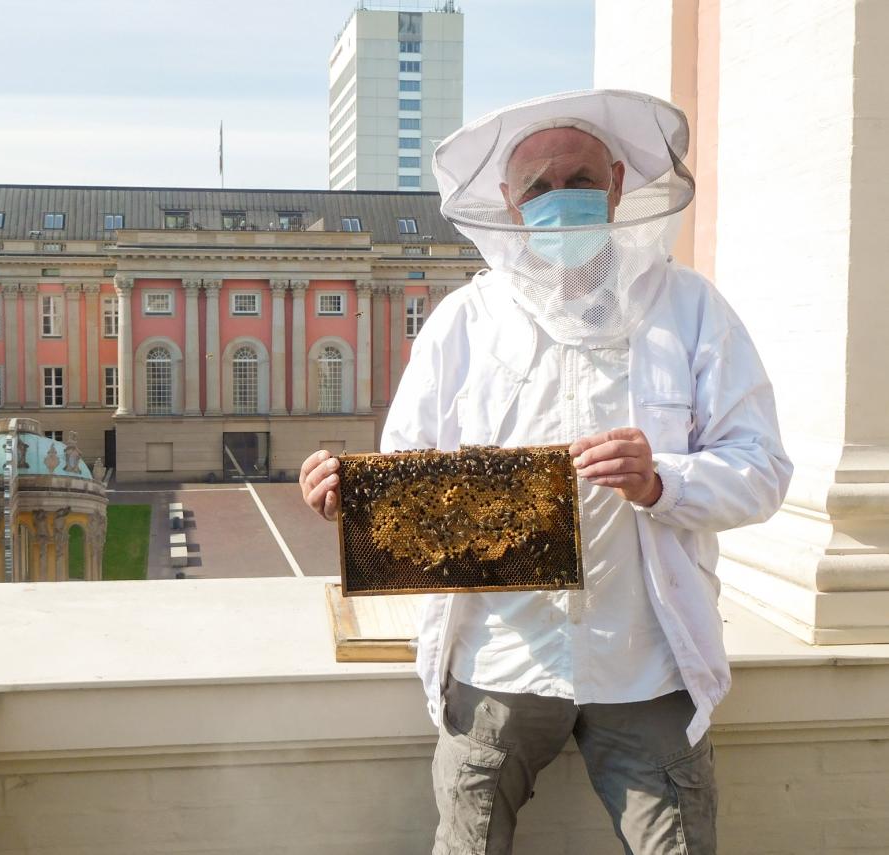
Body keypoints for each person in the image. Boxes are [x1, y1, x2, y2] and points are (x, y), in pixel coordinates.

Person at [299, 90, 792, 854]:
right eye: (538, 187)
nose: (560, 198)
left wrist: (663, 480)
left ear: (619, 184)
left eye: (580, 178)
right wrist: (347, 496)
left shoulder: (691, 309)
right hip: (499, 659)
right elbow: (404, 474)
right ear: (506, 203)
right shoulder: (463, 322)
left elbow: (761, 469)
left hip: (646, 662)